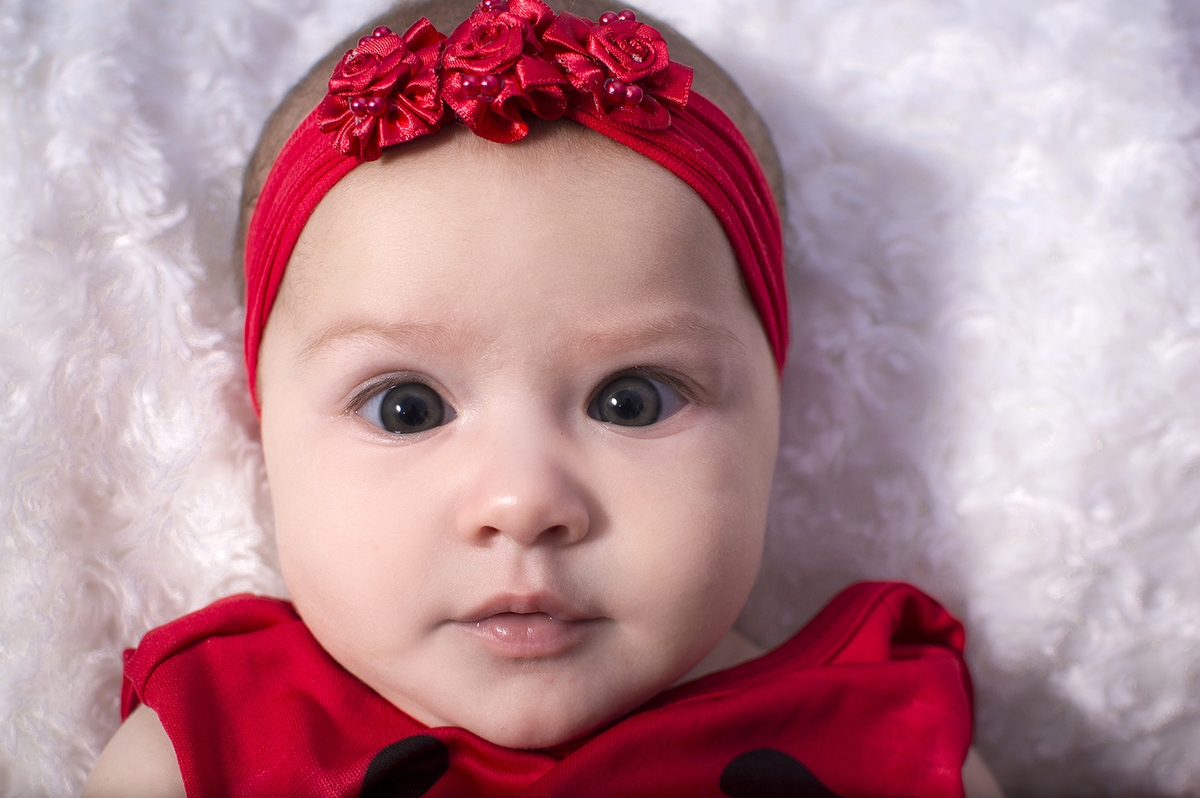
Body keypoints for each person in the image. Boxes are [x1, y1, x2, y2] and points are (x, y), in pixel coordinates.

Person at [84, 0, 1004, 794]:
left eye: (632, 400)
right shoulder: (212, 745)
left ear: (775, 412)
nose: (523, 502)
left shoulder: (889, 745)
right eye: (405, 407)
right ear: (264, 428)